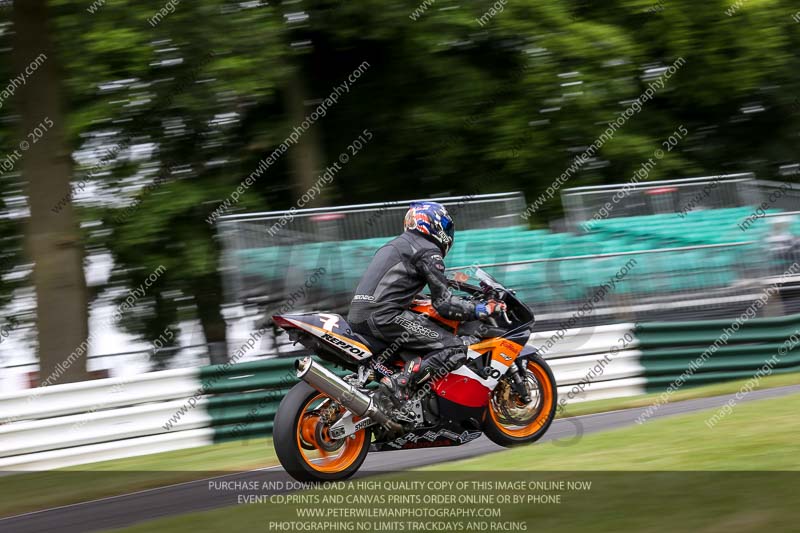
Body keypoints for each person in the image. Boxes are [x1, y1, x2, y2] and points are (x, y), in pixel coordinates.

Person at [346, 201, 507, 398]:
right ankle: (400, 383)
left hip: (357, 316)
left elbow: (395, 287)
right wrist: (481, 308)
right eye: (446, 227)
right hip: (385, 317)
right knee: (455, 347)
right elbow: (444, 304)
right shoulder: (427, 250)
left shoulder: (394, 245)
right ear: (434, 224)